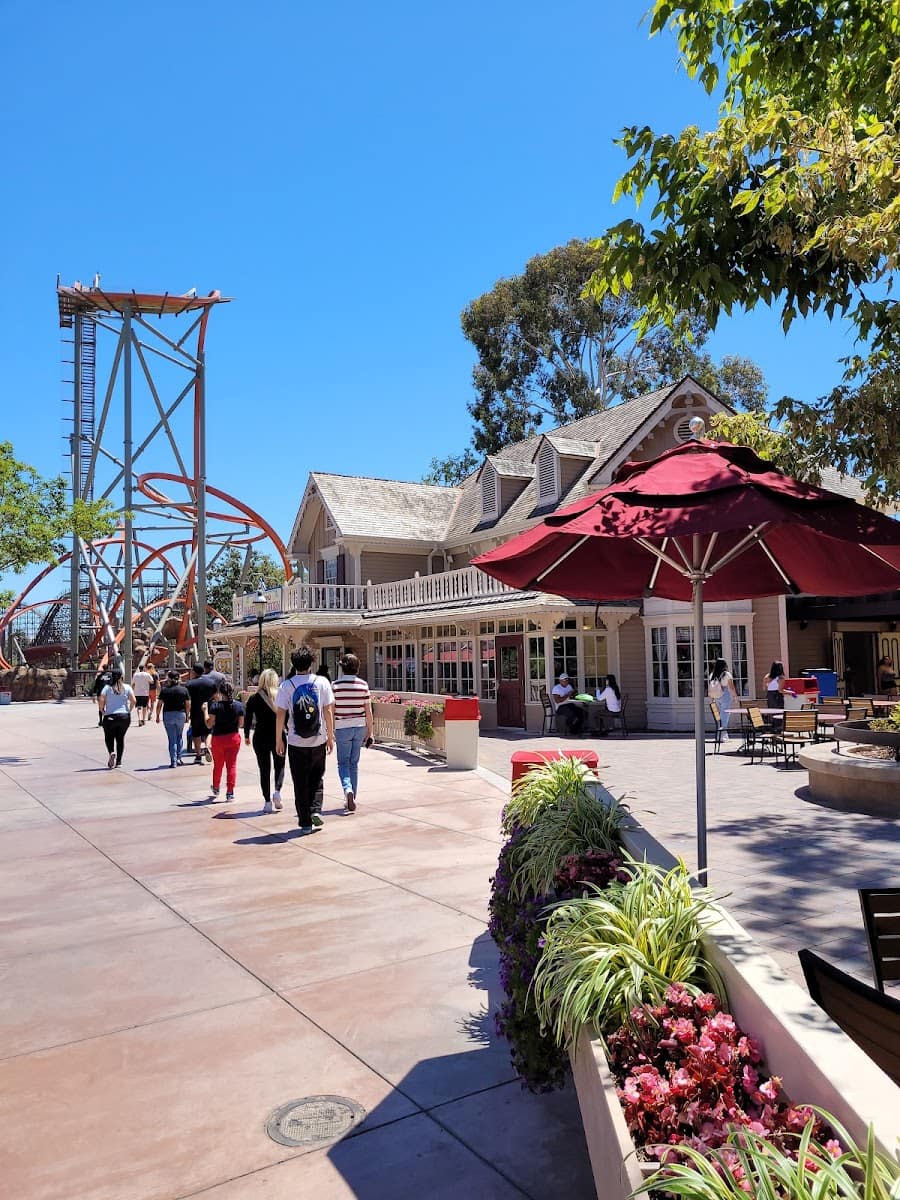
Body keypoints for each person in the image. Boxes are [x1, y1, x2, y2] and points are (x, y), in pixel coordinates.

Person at [275, 646, 334, 835]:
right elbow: (328, 711)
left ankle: (305, 823)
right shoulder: (322, 682)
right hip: (318, 740)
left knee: (300, 782)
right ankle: (316, 809)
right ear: (312, 663)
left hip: (295, 741)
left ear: (293, 663)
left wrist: (279, 740)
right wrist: (330, 736)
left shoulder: (286, 686)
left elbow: (280, 715)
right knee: (317, 777)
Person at [332, 652, 373, 814]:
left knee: (343, 762)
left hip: (342, 726)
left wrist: (329, 730)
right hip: (360, 726)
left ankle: (347, 789)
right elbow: (368, 711)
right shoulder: (363, 685)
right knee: (354, 763)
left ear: (342, 667)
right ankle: (352, 796)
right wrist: (370, 732)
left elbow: (331, 710)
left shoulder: (335, 686)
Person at [244, 668, 285, 812]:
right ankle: (277, 792)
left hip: (260, 736)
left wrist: (247, 735)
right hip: (278, 735)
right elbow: (287, 717)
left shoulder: (253, 698)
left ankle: (267, 802)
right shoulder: (280, 696)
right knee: (279, 766)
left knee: (264, 769)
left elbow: (247, 718)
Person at [205, 680, 244, 801]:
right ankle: (230, 791)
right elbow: (241, 724)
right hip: (233, 738)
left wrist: (204, 711)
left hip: (218, 739)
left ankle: (216, 787)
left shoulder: (215, 706)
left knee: (218, 765)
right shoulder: (239, 706)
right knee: (231, 765)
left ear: (220, 692)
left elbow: (209, 725)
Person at [98, 668, 135, 768]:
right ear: (121, 676)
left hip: (110, 716)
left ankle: (111, 752)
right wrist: (128, 710)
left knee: (108, 737)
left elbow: (101, 700)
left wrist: (102, 710)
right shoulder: (127, 687)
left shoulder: (107, 688)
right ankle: (119, 762)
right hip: (124, 716)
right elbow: (133, 701)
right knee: (120, 738)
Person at [155, 669, 191, 767]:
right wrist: (187, 715)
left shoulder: (165, 690)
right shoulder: (184, 690)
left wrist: (157, 715)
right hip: (181, 714)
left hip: (168, 715)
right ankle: (179, 758)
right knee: (179, 736)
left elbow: (159, 704)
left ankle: (173, 761)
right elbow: (188, 704)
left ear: (169, 679)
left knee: (172, 738)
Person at [186, 664, 218, 764]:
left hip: (195, 711)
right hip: (208, 710)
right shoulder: (211, 682)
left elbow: (188, 701)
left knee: (196, 734)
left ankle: (198, 755)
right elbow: (216, 696)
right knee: (209, 731)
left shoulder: (190, 684)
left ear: (194, 671)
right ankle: (207, 747)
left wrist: (187, 714)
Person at [707, 659, 737, 741]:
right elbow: (731, 687)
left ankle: (724, 735)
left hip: (716, 696)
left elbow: (712, 687)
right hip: (725, 695)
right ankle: (721, 735)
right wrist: (735, 696)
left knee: (720, 716)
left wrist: (712, 698)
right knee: (725, 716)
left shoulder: (712, 674)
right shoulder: (726, 674)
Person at [551, 671, 585, 736]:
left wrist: (574, 693)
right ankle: (572, 729)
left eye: (567, 680)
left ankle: (577, 729)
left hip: (569, 704)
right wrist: (567, 695)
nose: (566, 681)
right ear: (560, 681)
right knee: (572, 714)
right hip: (560, 707)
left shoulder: (569, 686)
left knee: (581, 712)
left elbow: (572, 696)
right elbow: (557, 701)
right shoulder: (556, 688)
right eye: (564, 680)